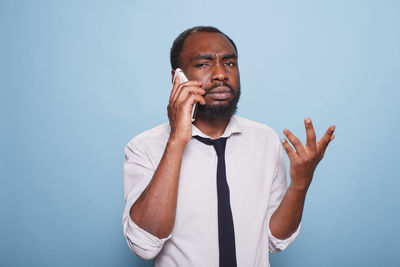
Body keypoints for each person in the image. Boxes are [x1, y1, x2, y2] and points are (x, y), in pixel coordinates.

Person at [122, 26, 335, 267]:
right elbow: (144, 245)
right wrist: (176, 142)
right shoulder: (144, 147)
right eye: (203, 64)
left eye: (229, 63)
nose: (220, 74)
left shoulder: (264, 139)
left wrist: (300, 185)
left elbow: (273, 240)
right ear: (177, 79)